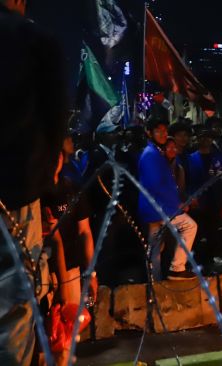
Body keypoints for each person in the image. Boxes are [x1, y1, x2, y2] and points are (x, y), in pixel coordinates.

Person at [0, 3, 67, 364]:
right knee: (15, 311)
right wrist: (43, 179)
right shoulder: (34, 40)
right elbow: (54, 125)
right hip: (17, 197)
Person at [138, 118, 197, 281]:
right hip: (159, 209)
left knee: (156, 247)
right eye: (158, 131)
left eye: (165, 131)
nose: (163, 134)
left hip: (158, 209)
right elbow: (156, 186)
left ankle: (154, 280)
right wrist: (177, 205)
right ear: (149, 133)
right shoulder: (150, 155)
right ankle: (176, 268)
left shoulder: (157, 153)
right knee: (190, 226)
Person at [41, 152, 97, 307]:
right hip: (45, 274)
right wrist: (63, 286)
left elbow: (85, 232)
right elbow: (54, 239)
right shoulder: (36, 196)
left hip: (72, 269)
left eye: (57, 155)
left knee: (71, 326)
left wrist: (91, 273)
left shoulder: (72, 189)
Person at [188, 126, 222, 273]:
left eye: (208, 137)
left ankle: (213, 257)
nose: (205, 140)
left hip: (215, 197)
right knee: (199, 230)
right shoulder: (191, 158)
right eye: (202, 137)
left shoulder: (218, 156)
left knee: (215, 228)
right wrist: (192, 197)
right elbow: (189, 180)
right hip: (199, 199)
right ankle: (199, 260)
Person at [164, 137, 187, 201]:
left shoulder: (179, 169)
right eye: (168, 147)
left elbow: (181, 192)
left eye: (174, 147)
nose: (172, 149)